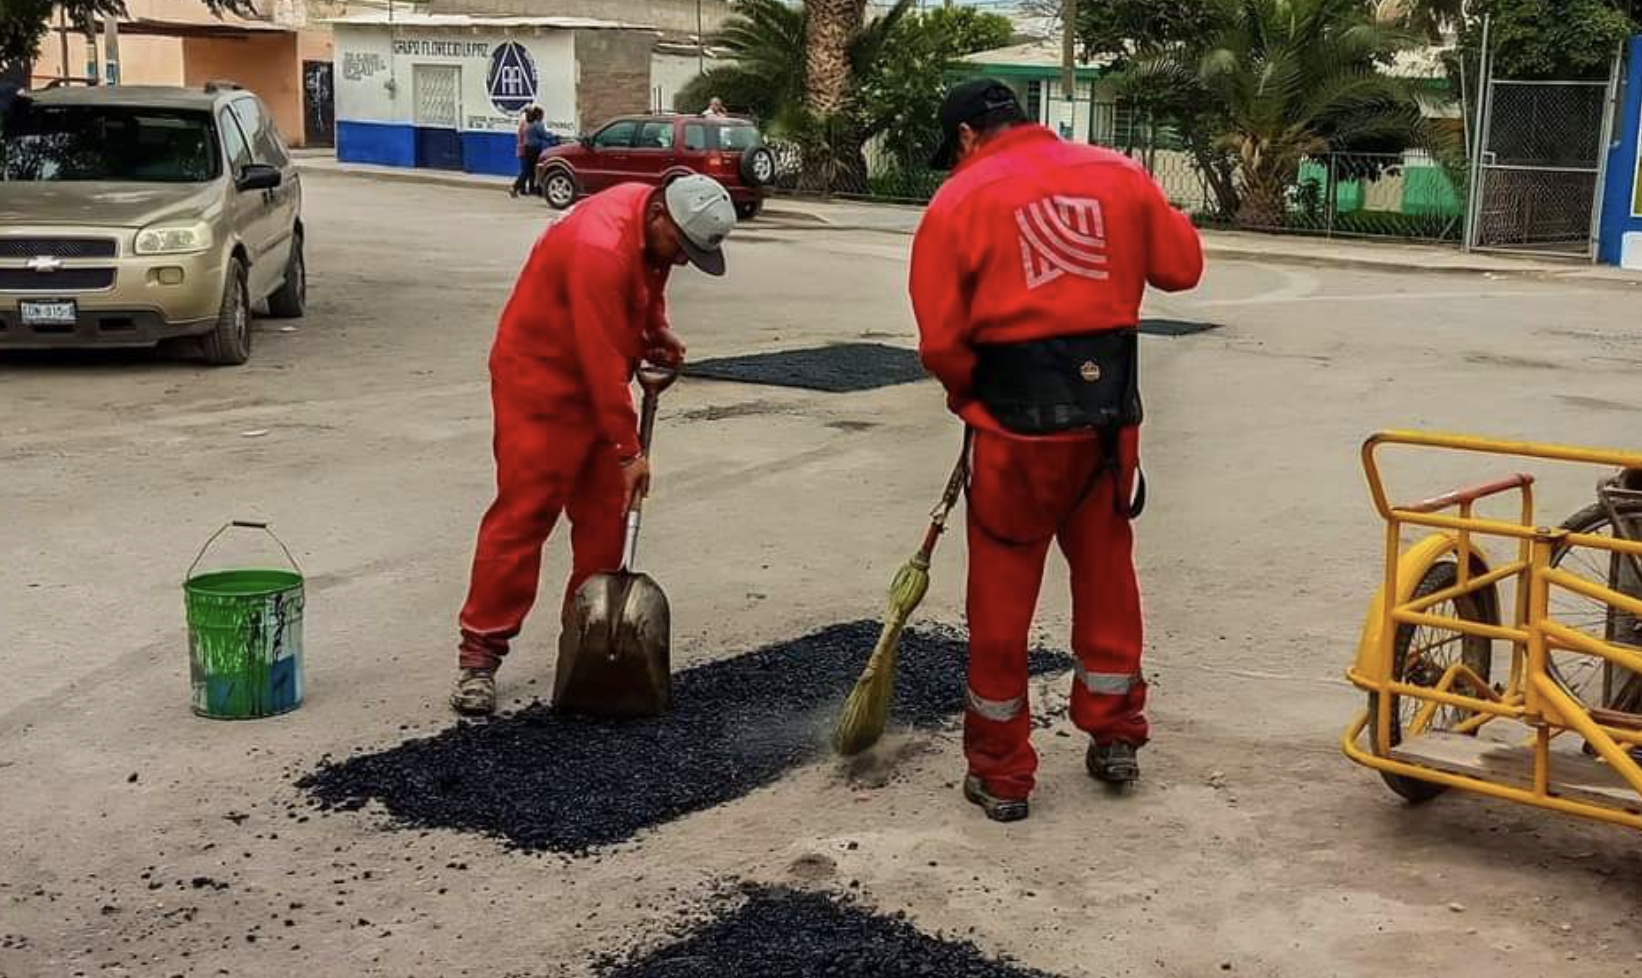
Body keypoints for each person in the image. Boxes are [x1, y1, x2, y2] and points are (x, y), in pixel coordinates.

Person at [908, 79, 1203, 822]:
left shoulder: (958, 201)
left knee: (1002, 595)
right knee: (1106, 574)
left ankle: (1002, 771)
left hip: (1013, 433)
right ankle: (1116, 736)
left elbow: (942, 343)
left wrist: (969, 402)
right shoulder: (1119, 174)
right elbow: (1182, 269)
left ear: (969, 138)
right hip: (1107, 429)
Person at [452, 174, 739, 715]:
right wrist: (629, 453)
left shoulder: (647, 218)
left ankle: (586, 652)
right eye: (682, 248)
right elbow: (601, 360)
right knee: (525, 516)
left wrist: (656, 330)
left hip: (594, 382)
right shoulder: (598, 247)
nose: (680, 262)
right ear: (662, 217)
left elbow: (647, 284)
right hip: (539, 386)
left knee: (607, 520)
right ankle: (479, 657)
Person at [510, 106, 539, 199]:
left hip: (524, 149)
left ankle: (524, 189)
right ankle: (515, 187)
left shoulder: (525, 123)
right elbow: (522, 138)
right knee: (525, 171)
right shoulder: (526, 124)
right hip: (524, 150)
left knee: (528, 170)